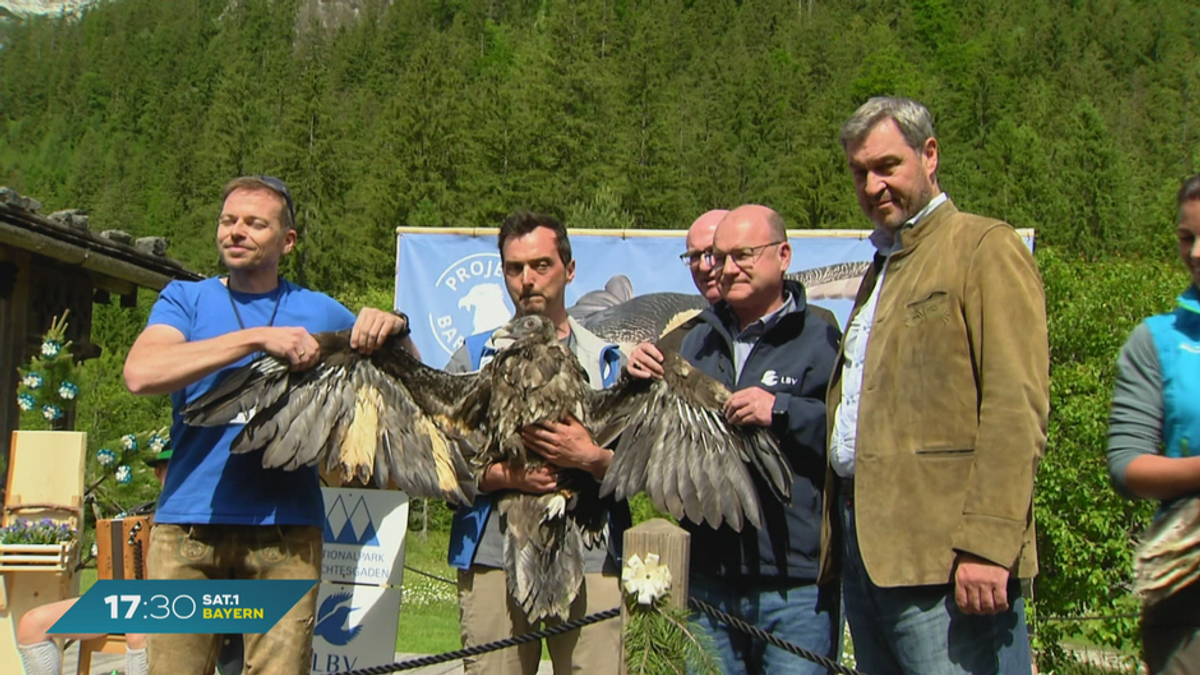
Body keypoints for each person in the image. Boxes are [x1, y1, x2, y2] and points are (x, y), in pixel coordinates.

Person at [122, 175, 414, 675]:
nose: (236, 232)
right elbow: (141, 373)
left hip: (286, 532)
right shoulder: (184, 300)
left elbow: (404, 387)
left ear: (288, 241)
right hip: (188, 529)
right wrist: (258, 338)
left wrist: (394, 328)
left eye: (255, 223)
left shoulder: (318, 309)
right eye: (228, 221)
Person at [820, 96, 1049, 675]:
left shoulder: (983, 247)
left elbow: (1014, 406)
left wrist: (989, 545)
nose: (873, 186)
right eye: (859, 172)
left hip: (951, 563)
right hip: (870, 555)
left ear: (929, 155)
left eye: (886, 166)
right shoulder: (883, 267)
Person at [627, 204, 842, 674]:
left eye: (741, 255)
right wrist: (635, 375)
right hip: (709, 578)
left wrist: (781, 411)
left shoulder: (822, 334)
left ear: (783, 255)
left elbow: (850, 431)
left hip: (794, 583)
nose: (724, 268)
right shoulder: (693, 338)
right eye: (716, 257)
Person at [445, 211, 627, 675]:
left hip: (590, 554)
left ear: (569, 269)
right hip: (493, 554)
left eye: (541, 265)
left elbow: (637, 471)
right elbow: (443, 464)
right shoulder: (473, 357)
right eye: (514, 268)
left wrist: (590, 457)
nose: (527, 280)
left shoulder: (608, 360)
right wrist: (509, 476)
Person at [1106, 174, 1200, 673]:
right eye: (1187, 238)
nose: (1197, 252)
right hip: (1186, 593)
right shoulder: (1157, 340)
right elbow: (1127, 466)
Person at [17, 446, 174, 675]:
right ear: (157, 474)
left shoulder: (201, 514)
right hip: (124, 604)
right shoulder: (143, 516)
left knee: (138, 628)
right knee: (32, 624)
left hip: (174, 604)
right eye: (170, 469)